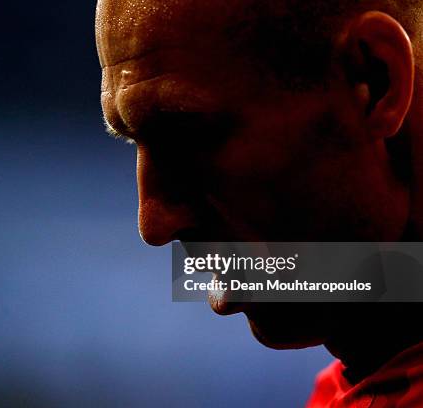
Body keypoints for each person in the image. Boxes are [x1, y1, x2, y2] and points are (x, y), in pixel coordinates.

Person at [95, 0, 423, 406]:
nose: (153, 224)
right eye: (133, 141)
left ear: (374, 81)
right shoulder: (365, 376)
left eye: (188, 137)